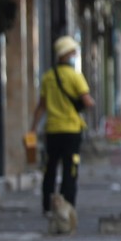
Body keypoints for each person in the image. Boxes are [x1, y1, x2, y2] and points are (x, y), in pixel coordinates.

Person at [30, 35, 94, 213]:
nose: (74, 54)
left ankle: (47, 205)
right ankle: (67, 206)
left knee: (50, 168)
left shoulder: (48, 77)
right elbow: (87, 101)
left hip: (52, 130)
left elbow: (41, 106)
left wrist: (33, 128)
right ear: (67, 54)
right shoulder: (75, 76)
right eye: (73, 52)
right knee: (70, 169)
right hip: (71, 130)